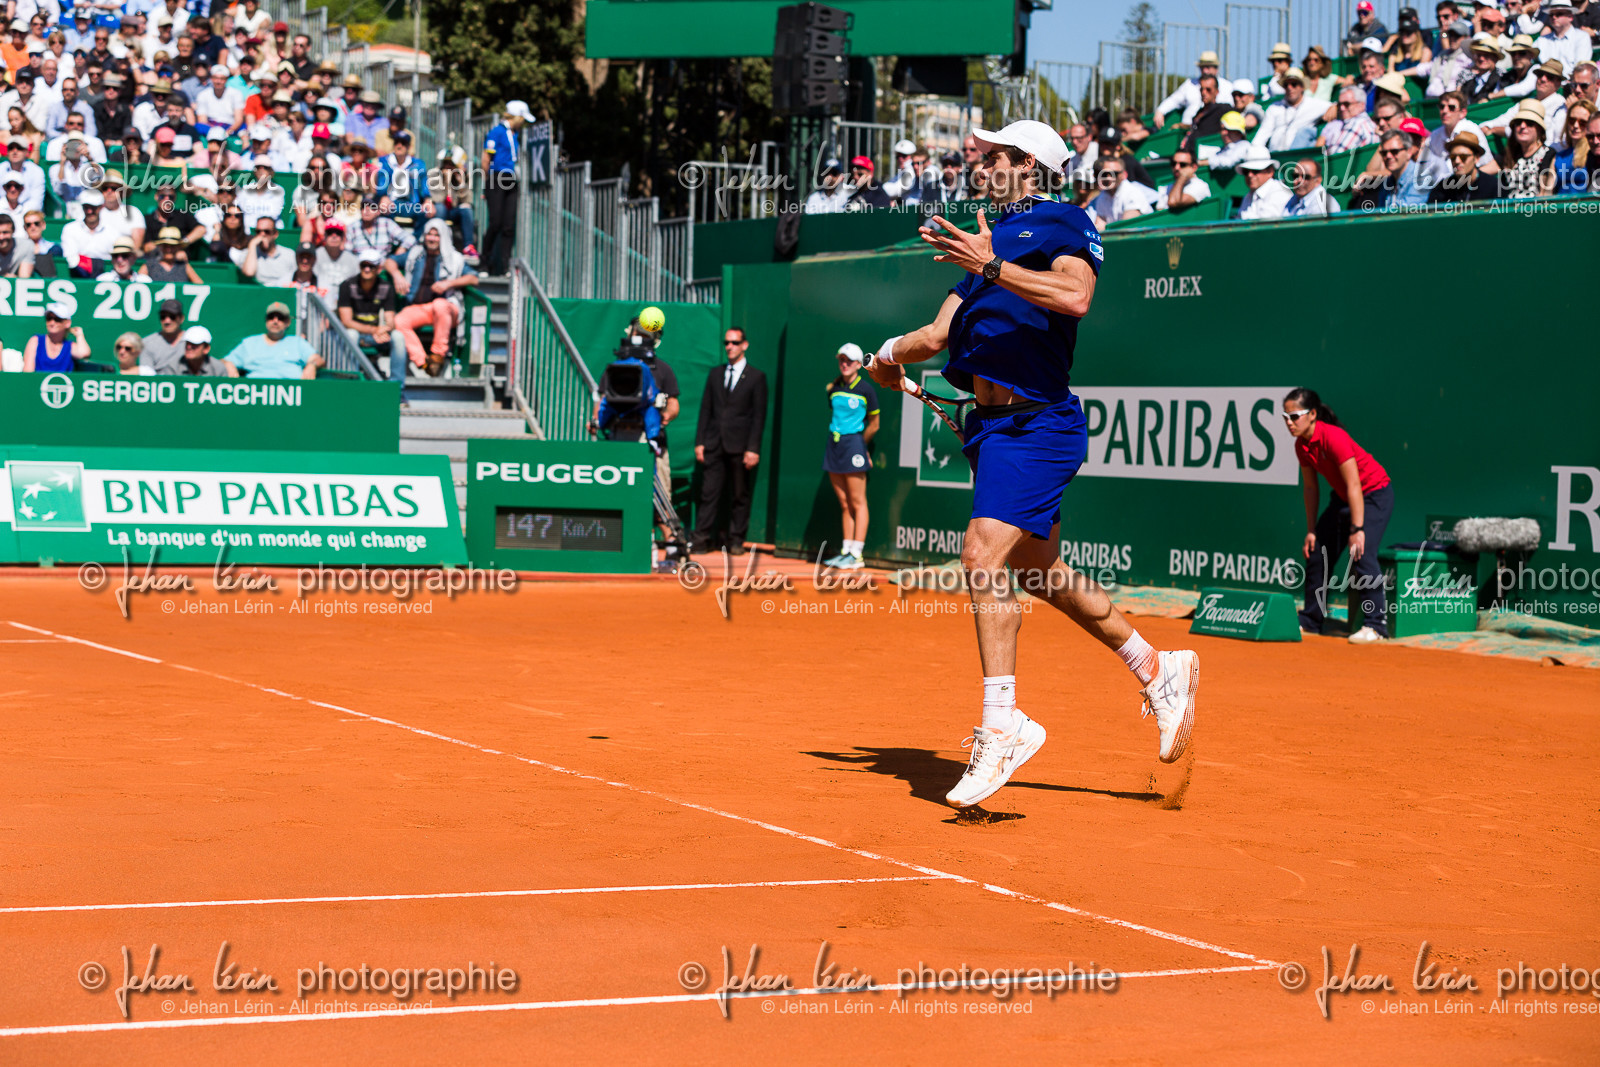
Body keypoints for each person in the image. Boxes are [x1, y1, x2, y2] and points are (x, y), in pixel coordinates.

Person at [864, 118, 1198, 810]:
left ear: (1029, 164)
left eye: (993, 157)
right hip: (992, 431)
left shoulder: (1061, 223)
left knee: (982, 555)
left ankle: (1002, 721)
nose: (978, 165)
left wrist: (990, 265)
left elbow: (1076, 297)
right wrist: (885, 356)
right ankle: (1157, 668)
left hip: (1039, 425)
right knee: (1040, 572)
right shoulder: (985, 246)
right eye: (980, 156)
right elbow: (935, 334)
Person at [1284, 387, 1393, 644]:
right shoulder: (1301, 446)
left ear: (1312, 414)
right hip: (1344, 498)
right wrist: (1311, 530)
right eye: (1285, 417)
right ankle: (1310, 620)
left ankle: (1376, 626)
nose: (1289, 422)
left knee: (1361, 552)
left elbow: (1355, 484)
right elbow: (1311, 488)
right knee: (1317, 551)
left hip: (1374, 494)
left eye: (1295, 416)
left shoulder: (1334, 437)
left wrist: (1356, 529)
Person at [693, 326, 767, 555]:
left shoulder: (757, 377)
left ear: (744, 345)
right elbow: (706, 409)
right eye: (726, 343)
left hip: (740, 446)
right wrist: (700, 441)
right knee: (709, 494)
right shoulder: (715, 374)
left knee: (739, 495)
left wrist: (752, 448)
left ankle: (735, 540)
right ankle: (702, 539)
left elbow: (758, 416)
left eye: (734, 343)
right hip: (714, 444)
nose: (729, 347)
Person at [820, 342, 879, 571]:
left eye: (849, 361)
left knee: (858, 502)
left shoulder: (866, 389)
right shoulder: (833, 388)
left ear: (857, 364)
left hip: (854, 444)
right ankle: (846, 551)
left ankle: (857, 554)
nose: (844, 364)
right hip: (834, 444)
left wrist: (860, 446)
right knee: (844, 504)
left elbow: (875, 424)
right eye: (841, 360)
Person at [395, 218, 479, 377]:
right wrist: (396, 276)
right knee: (399, 321)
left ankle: (438, 355)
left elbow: (474, 278)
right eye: (429, 234)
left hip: (447, 309)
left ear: (443, 238)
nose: (432, 238)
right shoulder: (416, 255)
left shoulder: (454, 258)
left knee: (440, 304)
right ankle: (424, 362)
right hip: (421, 308)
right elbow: (390, 262)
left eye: (436, 235)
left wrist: (448, 284)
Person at [338, 248, 408, 393]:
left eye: (371, 266)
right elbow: (346, 321)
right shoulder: (347, 285)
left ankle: (396, 391)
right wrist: (374, 330)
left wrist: (384, 329)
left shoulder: (386, 287)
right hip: (359, 333)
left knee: (398, 337)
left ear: (378, 268)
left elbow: (391, 320)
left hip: (377, 335)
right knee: (351, 334)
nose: (367, 269)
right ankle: (350, 385)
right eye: (364, 265)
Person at [480, 99, 530, 274]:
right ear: (516, 117)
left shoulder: (515, 134)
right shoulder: (497, 132)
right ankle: (485, 262)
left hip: (511, 179)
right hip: (497, 178)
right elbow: (486, 158)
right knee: (495, 223)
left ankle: (506, 265)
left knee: (509, 225)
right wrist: (487, 183)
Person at [222, 301, 323, 379]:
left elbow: (317, 359)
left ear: (287, 322)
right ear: (266, 320)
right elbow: (224, 361)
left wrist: (312, 365)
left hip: (292, 395)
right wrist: (228, 364)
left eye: (280, 318)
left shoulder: (297, 342)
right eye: (271, 317)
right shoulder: (250, 343)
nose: (275, 321)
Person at [1418, 90, 1495, 183]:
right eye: (1442, 107)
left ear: (1463, 113)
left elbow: (1492, 166)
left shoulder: (1472, 130)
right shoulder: (1435, 134)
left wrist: (1463, 178)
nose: (1445, 111)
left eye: (1451, 107)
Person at [1254, 68, 1325, 150]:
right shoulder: (1274, 107)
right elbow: (1263, 133)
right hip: (1275, 156)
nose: (1289, 88)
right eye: (1286, 85)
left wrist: (1333, 108)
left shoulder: (1313, 104)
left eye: (1294, 84)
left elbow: (1335, 106)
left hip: (1298, 157)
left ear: (1302, 87)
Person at [1497, 98, 1557, 196]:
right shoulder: (1510, 154)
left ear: (1539, 129)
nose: (1523, 126)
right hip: (1508, 208)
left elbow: (1545, 194)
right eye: (1518, 122)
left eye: (1529, 123)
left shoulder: (1547, 154)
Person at [1426, 129, 1504, 200]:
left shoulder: (1494, 186)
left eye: (1463, 157)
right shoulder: (1442, 189)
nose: (1457, 161)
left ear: (1476, 158)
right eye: (1453, 157)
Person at [1152, 50, 1221, 129]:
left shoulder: (1226, 87)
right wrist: (1160, 111)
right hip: (1187, 130)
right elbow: (1174, 100)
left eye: (1208, 67)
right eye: (1202, 67)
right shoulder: (1189, 84)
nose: (1205, 70)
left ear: (1216, 69)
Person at [1086, 156, 1153, 229]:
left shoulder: (1132, 193)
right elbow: (1100, 225)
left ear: (1124, 175)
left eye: (1114, 173)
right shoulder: (1103, 195)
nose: (1109, 178)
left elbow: (1125, 228)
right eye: (1104, 174)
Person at [60, 189, 116, 275]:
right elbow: (70, 257)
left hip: (106, 277)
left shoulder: (112, 231)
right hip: (77, 276)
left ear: (101, 207)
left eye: (93, 207)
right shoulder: (70, 229)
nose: (89, 211)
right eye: (86, 207)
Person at [23, 302, 90, 372]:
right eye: (49, 318)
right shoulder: (35, 341)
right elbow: (28, 372)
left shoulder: (69, 346)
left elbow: (84, 353)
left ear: (67, 323)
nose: (52, 323)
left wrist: (79, 335)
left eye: (57, 319)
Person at [232, 213, 296, 285]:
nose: (262, 234)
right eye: (258, 231)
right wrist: (252, 245)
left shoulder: (289, 254)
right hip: (258, 294)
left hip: (282, 294)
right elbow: (249, 272)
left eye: (267, 232)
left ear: (275, 234)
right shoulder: (248, 253)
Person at [1319, 86, 1383, 154]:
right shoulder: (1368, 123)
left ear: (1361, 105)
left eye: (1347, 104)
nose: (1342, 108)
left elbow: (1336, 154)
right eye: (1339, 104)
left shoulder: (1356, 124)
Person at [1539, 3, 1593, 75]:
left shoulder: (1582, 37)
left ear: (1570, 17)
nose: (1554, 17)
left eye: (1559, 14)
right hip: (1548, 80)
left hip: (1570, 82)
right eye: (1551, 15)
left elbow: (1580, 67)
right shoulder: (1542, 40)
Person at [1237, 154, 1293, 218]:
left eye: (1255, 171)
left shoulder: (1280, 193)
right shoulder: (1249, 195)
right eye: (1246, 172)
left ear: (1270, 172)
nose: (1250, 175)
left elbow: (1265, 224)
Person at [140, 297, 187, 370]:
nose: (167, 321)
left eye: (172, 317)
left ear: (181, 318)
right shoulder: (147, 343)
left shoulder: (192, 343)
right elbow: (146, 376)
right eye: (163, 317)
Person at [0, 213, 34, 277]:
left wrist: (13, 279)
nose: (1, 237)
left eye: (5, 232)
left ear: (13, 231)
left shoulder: (26, 246)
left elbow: (24, 277)